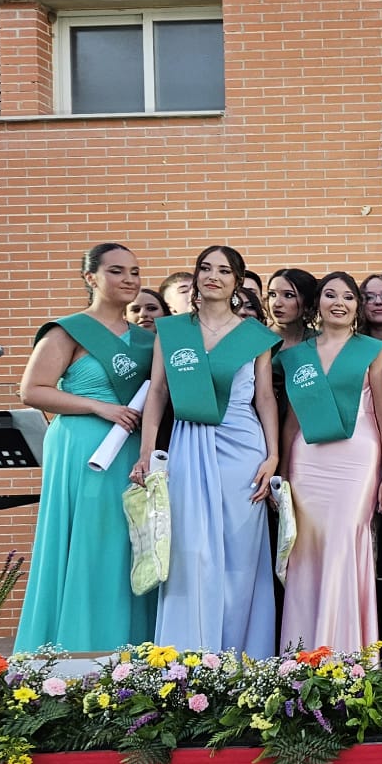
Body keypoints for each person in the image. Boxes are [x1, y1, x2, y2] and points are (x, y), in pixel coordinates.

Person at [134, 244, 281, 656]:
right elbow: (159, 391)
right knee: (191, 551)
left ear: (237, 282)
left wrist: (272, 457)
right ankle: (188, 657)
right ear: (196, 277)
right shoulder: (174, 330)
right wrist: (148, 451)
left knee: (239, 555)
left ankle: (240, 657)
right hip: (188, 441)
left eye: (224, 270)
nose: (212, 275)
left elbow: (266, 398)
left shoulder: (254, 336)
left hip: (242, 447)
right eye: (205, 268)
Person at [15, 242, 157, 652]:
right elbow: (32, 391)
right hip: (82, 447)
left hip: (130, 449)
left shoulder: (148, 341)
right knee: (87, 540)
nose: (129, 279)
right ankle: (77, 644)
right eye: (116, 271)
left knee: (125, 542)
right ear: (90, 277)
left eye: (134, 271)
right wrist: (99, 407)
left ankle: (129, 647)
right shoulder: (68, 330)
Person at [278, 273, 382, 652]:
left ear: (357, 307)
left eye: (349, 296)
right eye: (331, 295)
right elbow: (292, 420)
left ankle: (346, 654)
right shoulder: (295, 355)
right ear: (317, 304)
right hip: (306, 462)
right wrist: (282, 474)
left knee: (346, 543)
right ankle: (301, 655)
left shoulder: (372, 350)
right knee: (307, 552)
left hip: (356, 460)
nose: (340, 302)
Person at [266, 269, 321, 354]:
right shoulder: (257, 338)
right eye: (272, 294)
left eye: (288, 295)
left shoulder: (320, 341)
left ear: (307, 302)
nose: (277, 303)